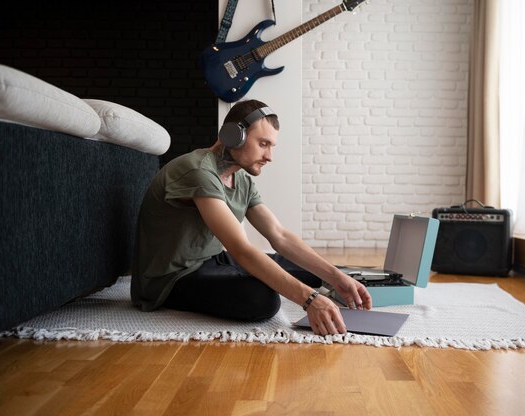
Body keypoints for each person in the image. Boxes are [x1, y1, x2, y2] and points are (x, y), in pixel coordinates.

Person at [131, 99, 372, 335]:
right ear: (233, 136)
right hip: (172, 279)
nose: (269, 156)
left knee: (305, 270)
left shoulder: (242, 179)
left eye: (272, 146)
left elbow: (279, 235)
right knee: (262, 299)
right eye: (263, 144)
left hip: (210, 260)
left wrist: (337, 277)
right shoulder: (198, 171)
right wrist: (310, 300)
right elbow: (242, 251)